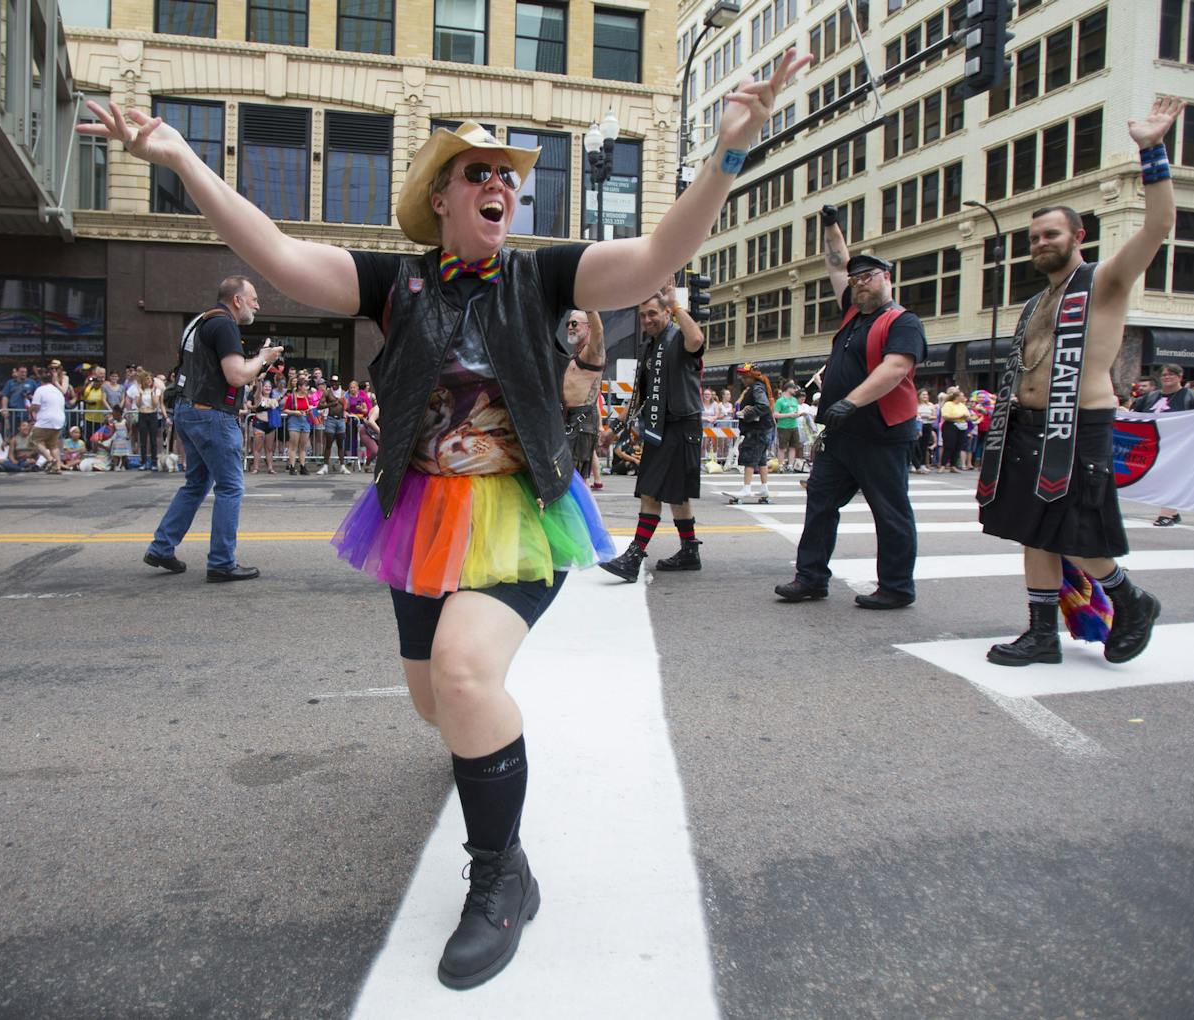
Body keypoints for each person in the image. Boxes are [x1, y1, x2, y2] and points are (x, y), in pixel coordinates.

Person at [82, 49, 807, 989]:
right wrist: (181, 159)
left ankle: (502, 875)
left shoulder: (543, 279)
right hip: (418, 513)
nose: (501, 185)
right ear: (443, 199)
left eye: (509, 176)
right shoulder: (398, 282)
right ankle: (479, 754)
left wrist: (728, 155)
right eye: (481, 174)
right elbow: (278, 254)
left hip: (519, 512)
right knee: (436, 704)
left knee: (465, 676)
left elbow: (656, 258)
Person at [977, 99, 1185, 667]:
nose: (1040, 243)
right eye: (1034, 238)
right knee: (1033, 532)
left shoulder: (1105, 282)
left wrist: (1152, 149)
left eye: (1050, 234)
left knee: (1077, 532)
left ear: (1077, 235)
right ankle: (1042, 635)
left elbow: (1160, 224)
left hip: (1079, 426)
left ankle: (1130, 599)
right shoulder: (1037, 301)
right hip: (1025, 428)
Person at [774, 207, 927, 610]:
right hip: (841, 435)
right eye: (855, 279)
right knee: (820, 502)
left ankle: (896, 587)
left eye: (868, 277)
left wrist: (849, 401)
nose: (858, 283)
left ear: (886, 278)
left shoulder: (902, 321)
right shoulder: (853, 313)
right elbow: (837, 261)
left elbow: (895, 369)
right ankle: (810, 577)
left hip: (881, 434)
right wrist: (830, 226)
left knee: (890, 511)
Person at [140, 276, 282, 580]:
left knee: (196, 484)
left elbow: (221, 372)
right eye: (254, 298)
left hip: (190, 411)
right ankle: (221, 562)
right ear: (237, 300)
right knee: (230, 487)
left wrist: (257, 363)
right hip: (211, 415)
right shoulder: (225, 325)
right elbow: (235, 376)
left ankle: (162, 547)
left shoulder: (199, 322)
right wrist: (262, 357)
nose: (258, 304)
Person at [600, 281, 709, 580]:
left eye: (653, 314)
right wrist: (615, 428)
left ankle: (634, 557)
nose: (647, 320)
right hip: (660, 428)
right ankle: (690, 551)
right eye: (642, 316)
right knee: (676, 495)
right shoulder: (650, 347)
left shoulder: (678, 338)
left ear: (667, 313)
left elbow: (697, 338)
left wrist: (676, 305)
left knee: (651, 491)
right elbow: (640, 396)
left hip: (680, 426)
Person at [1131, 362, 1194, 526]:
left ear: (1180, 377)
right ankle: (1173, 512)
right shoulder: (1150, 398)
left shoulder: (1192, 397)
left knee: (1172, 477)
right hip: (1153, 444)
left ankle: (1167, 514)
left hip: (1181, 446)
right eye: (1164, 375)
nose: (1167, 377)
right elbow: (1136, 416)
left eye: (1171, 374)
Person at [561, 309, 606, 481]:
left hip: (582, 420)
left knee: (575, 479)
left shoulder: (592, 353)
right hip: (569, 418)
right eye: (568, 324)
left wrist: (589, 303)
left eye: (575, 323)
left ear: (588, 328)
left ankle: (585, 508)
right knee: (571, 478)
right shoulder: (576, 354)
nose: (570, 327)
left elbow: (599, 331)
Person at [729, 363, 775, 501]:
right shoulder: (759, 387)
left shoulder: (756, 388)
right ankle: (764, 488)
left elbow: (763, 406)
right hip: (763, 429)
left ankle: (747, 488)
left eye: (744, 376)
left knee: (750, 458)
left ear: (750, 376)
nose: (742, 379)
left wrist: (746, 413)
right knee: (761, 460)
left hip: (756, 430)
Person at [29, 365, 67, 475]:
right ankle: (57, 467)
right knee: (53, 445)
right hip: (59, 419)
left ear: (41, 380)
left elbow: (35, 406)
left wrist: (29, 409)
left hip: (46, 419)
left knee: (35, 440)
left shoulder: (40, 390)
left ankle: (50, 459)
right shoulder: (57, 391)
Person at [314, 376, 348, 474]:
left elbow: (347, 406)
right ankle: (325, 466)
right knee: (328, 443)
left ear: (339, 382)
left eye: (336, 382)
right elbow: (319, 406)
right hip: (331, 419)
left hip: (341, 420)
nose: (334, 383)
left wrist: (344, 404)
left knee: (340, 444)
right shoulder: (327, 392)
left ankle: (342, 466)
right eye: (332, 381)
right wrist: (332, 404)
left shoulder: (344, 393)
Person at [133, 368, 164, 470]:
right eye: (147, 379)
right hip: (142, 414)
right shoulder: (139, 390)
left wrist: (152, 393)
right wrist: (141, 394)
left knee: (153, 440)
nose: (148, 381)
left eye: (150, 379)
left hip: (152, 415)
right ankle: (143, 462)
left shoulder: (156, 390)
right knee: (143, 440)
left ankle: (154, 462)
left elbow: (155, 405)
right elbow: (138, 404)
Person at [282, 379, 313, 474]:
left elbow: (313, 406)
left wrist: (311, 408)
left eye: (307, 386)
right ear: (300, 387)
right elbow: (285, 409)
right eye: (305, 386)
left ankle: (303, 466)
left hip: (305, 420)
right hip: (294, 420)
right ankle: (292, 466)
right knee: (293, 445)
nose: (307, 388)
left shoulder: (308, 397)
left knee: (303, 446)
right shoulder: (292, 397)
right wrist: (294, 412)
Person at [249, 379, 280, 474]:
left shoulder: (273, 399)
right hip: (259, 424)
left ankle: (270, 468)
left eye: (269, 386)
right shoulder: (259, 397)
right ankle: (256, 468)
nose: (267, 388)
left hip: (270, 425)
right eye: (265, 386)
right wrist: (259, 383)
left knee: (269, 448)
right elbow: (258, 392)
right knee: (257, 447)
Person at [773, 380, 803, 473]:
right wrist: (788, 415)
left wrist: (798, 414)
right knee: (782, 447)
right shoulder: (780, 401)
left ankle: (790, 465)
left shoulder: (794, 400)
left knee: (793, 446)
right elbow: (775, 414)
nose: (795, 390)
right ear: (788, 388)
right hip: (783, 426)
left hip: (794, 425)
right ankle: (781, 465)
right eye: (793, 388)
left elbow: (796, 411)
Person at [939, 389, 970, 472]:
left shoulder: (963, 405)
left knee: (958, 446)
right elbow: (945, 416)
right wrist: (959, 416)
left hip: (962, 426)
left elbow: (968, 416)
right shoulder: (948, 404)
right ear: (957, 397)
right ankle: (943, 465)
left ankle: (953, 465)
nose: (963, 397)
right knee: (948, 445)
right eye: (962, 396)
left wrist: (966, 417)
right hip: (950, 425)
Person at [915, 389, 937, 473]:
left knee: (924, 445)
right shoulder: (916, 405)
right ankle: (915, 464)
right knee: (917, 445)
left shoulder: (931, 405)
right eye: (923, 395)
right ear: (919, 395)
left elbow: (934, 416)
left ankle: (922, 464)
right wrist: (920, 416)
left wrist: (928, 417)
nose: (925, 396)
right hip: (918, 425)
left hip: (928, 425)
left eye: (926, 395)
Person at [106, 404, 132, 470]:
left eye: (114, 415)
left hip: (123, 440)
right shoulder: (114, 422)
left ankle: (122, 465)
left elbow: (130, 430)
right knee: (116, 454)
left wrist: (128, 436)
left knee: (123, 454)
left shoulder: (124, 421)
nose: (113, 416)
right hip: (117, 440)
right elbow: (113, 431)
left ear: (118, 414)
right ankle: (116, 465)